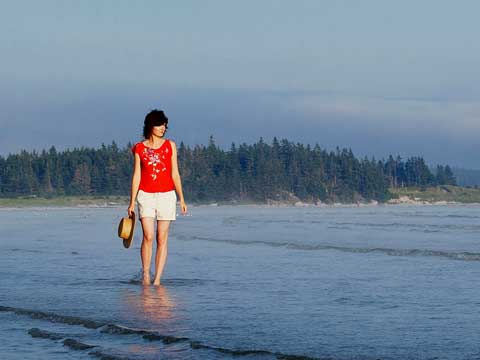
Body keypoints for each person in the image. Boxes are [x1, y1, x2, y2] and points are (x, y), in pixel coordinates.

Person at [128, 109, 187, 286]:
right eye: (160, 124)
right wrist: (131, 202)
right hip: (145, 195)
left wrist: (181, 198)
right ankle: (146, 274)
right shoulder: (139, 148)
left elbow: (175, 173)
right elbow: (136, 175)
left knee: (162, 237)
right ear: (150, 125)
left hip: (167, 196)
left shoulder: (170, 146)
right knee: (148, 236)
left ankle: (157, 279)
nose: (163, 128)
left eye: (164, 125)